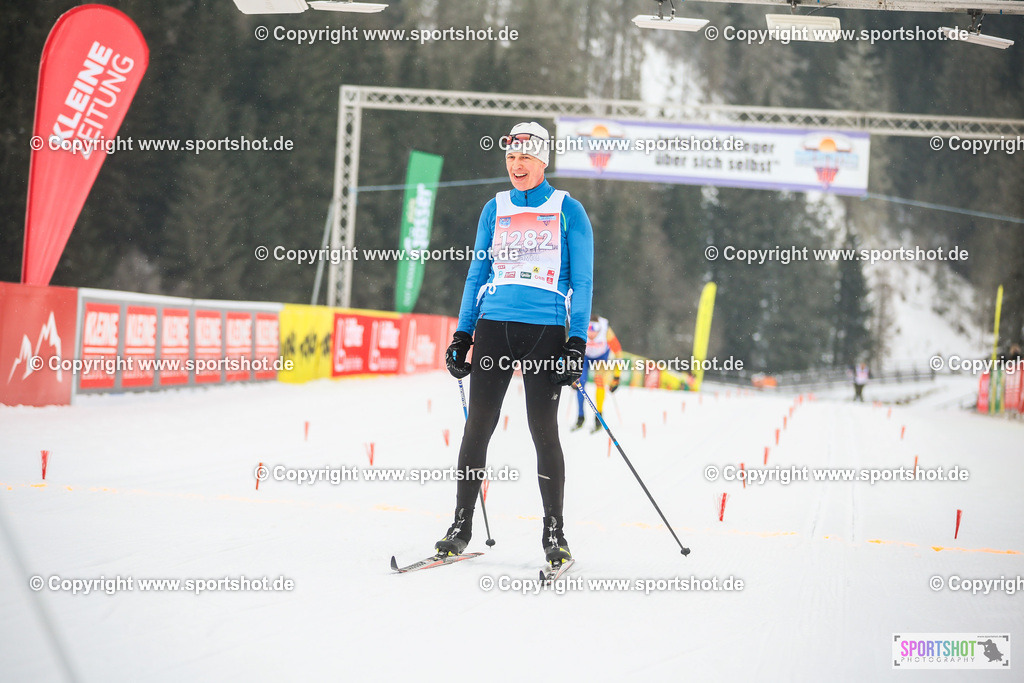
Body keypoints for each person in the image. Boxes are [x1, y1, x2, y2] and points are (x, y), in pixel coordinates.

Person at [439, 121, 594, 568]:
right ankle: (460, 525)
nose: (516, 165)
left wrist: (576, 342)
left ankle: (554, 533)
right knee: (478, 427)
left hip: (545, 331)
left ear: (543, 160)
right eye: (510, 157)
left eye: (525, 157)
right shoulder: (495, 207)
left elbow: (582, 281)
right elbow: (476, 273)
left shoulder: (569, 210)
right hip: (494, 327)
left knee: (542, 430)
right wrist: (463, 333)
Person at [574, 314, 622, 432]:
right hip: (585, 358)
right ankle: (580, 417)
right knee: (580, 383)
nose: (591, 334)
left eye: (594, 329)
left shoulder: (606, 331)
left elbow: (618, 353)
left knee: (599, 381)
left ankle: (598, 416)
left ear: (599, 328)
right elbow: (569, 349)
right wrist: (570, 372)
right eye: (589, 329)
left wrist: (616, 377)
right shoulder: (581, 328)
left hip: (600, 358)